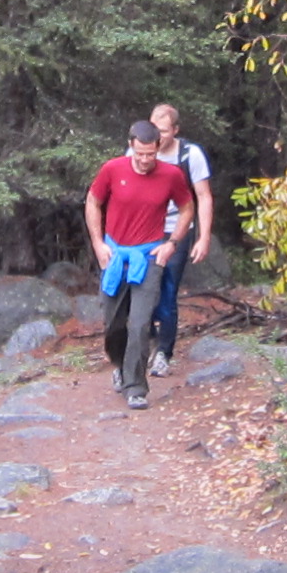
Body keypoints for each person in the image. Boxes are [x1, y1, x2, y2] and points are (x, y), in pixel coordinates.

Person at [84, 117, 196, 409]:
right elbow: (93, 202)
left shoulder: (171, 175)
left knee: (140, 323)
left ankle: (135, 387)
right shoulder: (113, 169)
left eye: (151, 154)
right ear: (130, 146)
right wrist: (98, 244)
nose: (145, 160)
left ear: (158, 147)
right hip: (115, 255)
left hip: (149, 256)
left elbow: (187, 208)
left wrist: (172, 243)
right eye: (140, 154)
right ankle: (120, 366)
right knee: (113, 325)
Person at [147, 101, 213, 375]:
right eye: (154, 129)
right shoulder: (139, 149)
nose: (157, 136)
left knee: (168, 290)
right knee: (140, 288)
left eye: (163, 131)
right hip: (144, 230)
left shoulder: (190, 155)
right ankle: (148, 339)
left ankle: (164, 352)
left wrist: (203, 237)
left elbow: (204, 196)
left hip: (177, 229)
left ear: (175, 130)